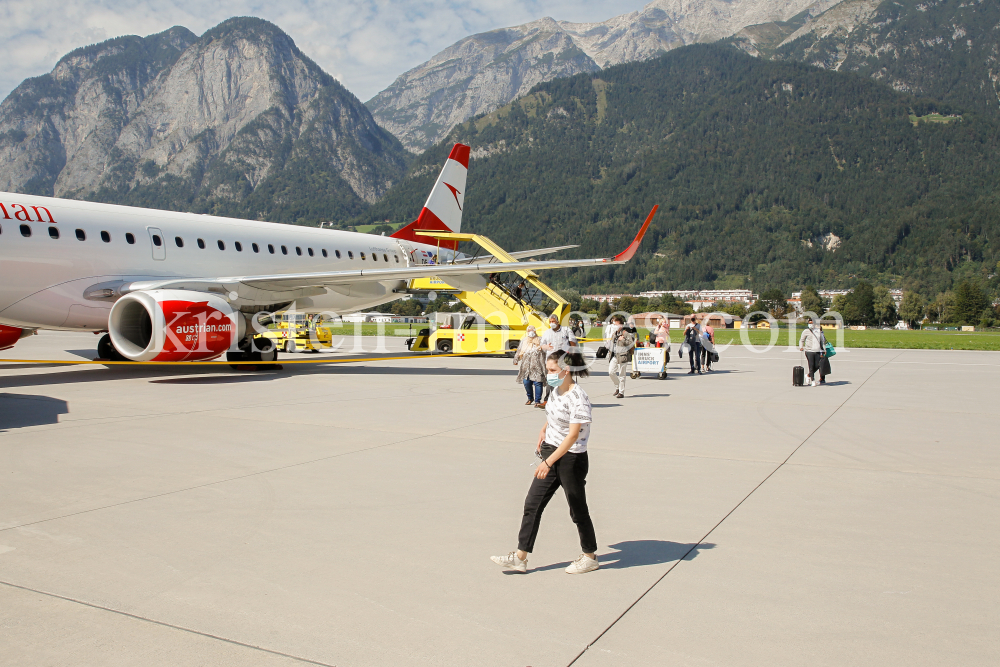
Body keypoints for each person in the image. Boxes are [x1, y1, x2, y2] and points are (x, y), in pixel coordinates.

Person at [491, 350, 598, 575]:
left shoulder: (578, 397)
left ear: (565, 370)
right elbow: (552, 415)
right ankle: (520, 558)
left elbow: (573, 435)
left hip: (571, 458)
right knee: (532, 504)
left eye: (551, 370)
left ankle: (589, 556)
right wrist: (543, 430)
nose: (548, 374)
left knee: (577, 509)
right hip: (551, 451)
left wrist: (548, 462)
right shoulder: (555, 390)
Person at [538, 315, 578, 407]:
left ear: (557, 322)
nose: (552, 323)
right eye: (550, 322)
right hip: (551, 361)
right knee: (550, 380)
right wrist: (545, 347)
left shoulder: (566, 330)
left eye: (553, 321)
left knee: (565, 380)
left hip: (563, 360)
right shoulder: (547, 332)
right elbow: (542, 346)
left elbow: (573, 343)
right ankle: (547, 400)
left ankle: (569, 399)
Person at [514, 326, 545, 405]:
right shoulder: (524, 340)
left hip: (537, 365)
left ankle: (537, 401)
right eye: (529, 331)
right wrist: (516, 359)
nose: (531, 332)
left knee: (538, 383)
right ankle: (530, 398)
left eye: (532, 330)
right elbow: (519, 350)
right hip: (526, 366)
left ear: (535, 331)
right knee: (526, 382)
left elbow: (545, 350)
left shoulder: (540, 340)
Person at [606, 315, 634, 398]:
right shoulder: (614, 334)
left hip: (622, 356)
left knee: (622, 375)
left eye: (616, 324)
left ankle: (621, 392)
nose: (614, 326)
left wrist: (623, 340)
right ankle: (617, 386)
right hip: (614, 356)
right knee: (611, 372)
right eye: (613, 324)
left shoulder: (626, 334)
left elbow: (631, 344)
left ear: (621, 325)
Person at [798, 320, 827, 386]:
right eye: (809, 323)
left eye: (812, 323)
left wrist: (824, 349)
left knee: (818, 365)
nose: (810, 324)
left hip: (817, 351)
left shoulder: (818, 331)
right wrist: (801, 347)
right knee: (811, 366)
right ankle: (813, 380)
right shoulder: (806, 331)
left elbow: (822, 341)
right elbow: (802, 340)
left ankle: (808, 375)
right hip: (809, 351)